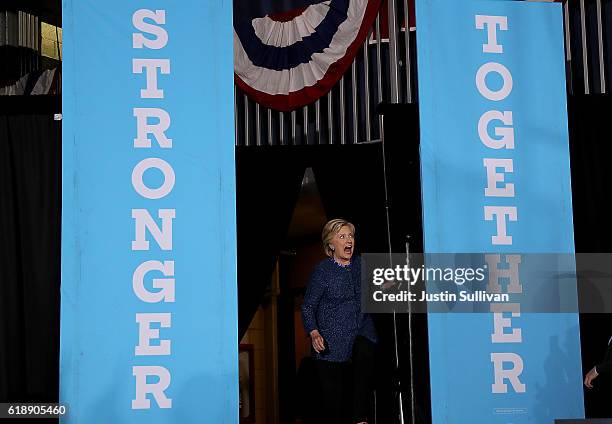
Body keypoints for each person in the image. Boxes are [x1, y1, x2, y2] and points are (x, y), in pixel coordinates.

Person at [301, 218, 378, 424]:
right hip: (330, 344)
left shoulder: (362, 265)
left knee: (365, 349)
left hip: (361, 333)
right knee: (334, 405)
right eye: (342, 236)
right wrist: (314, 332)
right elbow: (308, 306)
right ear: (331, 244)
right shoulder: (322, 271)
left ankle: (360, 417)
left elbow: (380, 285)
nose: (348, 240)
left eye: (351, 236)